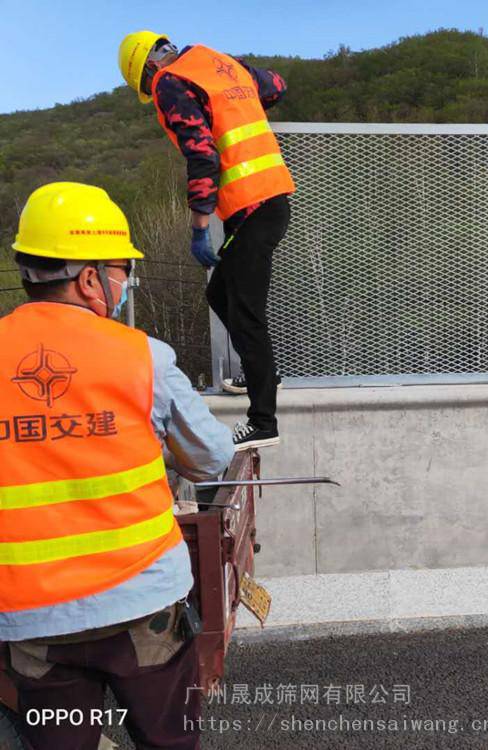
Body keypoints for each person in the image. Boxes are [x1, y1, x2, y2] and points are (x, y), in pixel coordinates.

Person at [0, 182, 234, 750]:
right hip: (142, 604)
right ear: (88, 279)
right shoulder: (142, 356)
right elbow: (212, 457)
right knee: (168, 740)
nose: (125, 282)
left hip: (30, 621)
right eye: (122, 269)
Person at [118, 30, 296, 451]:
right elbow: (276, 86)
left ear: (148, 68)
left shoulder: (170, 82)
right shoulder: (219, 64)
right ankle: (261, 374)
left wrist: (199, 227)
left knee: (247, 312)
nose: (152, 92)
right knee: (220, 293)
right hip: (266, 201)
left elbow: (201, 153)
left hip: (254, 208)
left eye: (146, 84)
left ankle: (263, 421)